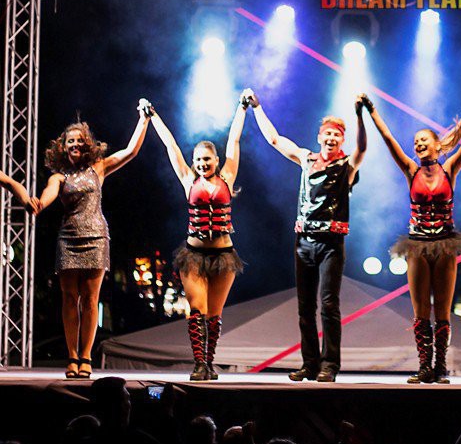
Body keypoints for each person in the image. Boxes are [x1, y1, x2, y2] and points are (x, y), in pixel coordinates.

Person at [360, 89, 461, 384]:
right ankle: (424, 366)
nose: (417, 144)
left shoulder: (450, 168)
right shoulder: (410, 170)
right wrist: (371, 110)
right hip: (417, 244)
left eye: (423, 140)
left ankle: (440, 365)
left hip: (445, 244)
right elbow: (388, 139)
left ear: (436, 145)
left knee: (442, 310)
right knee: (420, 310)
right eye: (416, 142)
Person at [248, 88, 366, 382]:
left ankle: (330, 365)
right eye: (327, 133)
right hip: (304, 242)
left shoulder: (346, 166)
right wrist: (257, 108)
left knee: (329, 304)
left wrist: (360, 116)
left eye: (336, 135)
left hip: (331, 244)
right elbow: (275, 140)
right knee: (305, 308)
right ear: (319, 137)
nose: (331, 138)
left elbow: (362, 149)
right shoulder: (306, 158)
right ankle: (310, 364)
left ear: (342, 140)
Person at [38, 105, 151, 378]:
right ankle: (72, 356)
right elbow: (48, 194)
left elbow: (130, 151)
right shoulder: (59, 177)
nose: (75, 144)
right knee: (69, 299)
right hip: (68, 239)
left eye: (79, 140)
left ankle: (86, 356)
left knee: (90, 300)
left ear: (87, 144)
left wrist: (143, 119)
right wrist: (39, 203)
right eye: (70, 141)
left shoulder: (98, 168)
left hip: (96, 237)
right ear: (63, 147)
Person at [148, 96, 247, 381]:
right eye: (198, 160)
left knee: (214, 315)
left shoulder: (227, 177)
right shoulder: (188, 180)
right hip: (193, 254)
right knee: (196, 310)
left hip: (224, 256)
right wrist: (153, 116)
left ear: (216, 160)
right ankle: (199, 363)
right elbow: (171, 146)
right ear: (193, 162)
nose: (203, 163)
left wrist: (242, 108)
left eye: (207, 159)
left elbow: (234, 141)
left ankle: (210, 362)